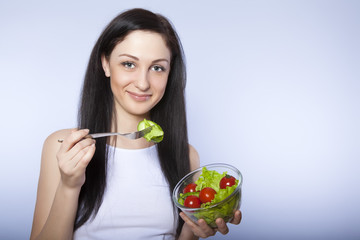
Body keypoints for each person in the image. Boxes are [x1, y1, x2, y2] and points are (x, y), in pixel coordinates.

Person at [30, 8, 242, 240]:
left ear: (170, 74)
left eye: (157, 68)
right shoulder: (63, 146)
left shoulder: (187, 155)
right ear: (106, 64)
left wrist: (195, 227)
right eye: (129, 64)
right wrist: (69, 186)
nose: (143, 83)